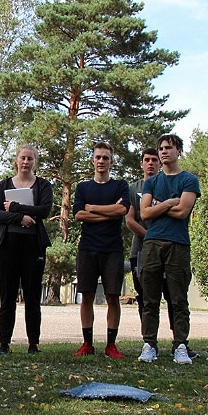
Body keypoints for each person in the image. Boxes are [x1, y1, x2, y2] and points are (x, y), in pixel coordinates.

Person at [138, 134, 201, 364]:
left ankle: (180, 345)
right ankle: (149, 344)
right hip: (152, 243)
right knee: (150, 298)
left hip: (178, 244)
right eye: (161, 148)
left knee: (178, 298)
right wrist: (168, 203)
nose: (164, 152)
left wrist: (157, 206)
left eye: (169, 148)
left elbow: (183, 211)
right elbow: (144, 213)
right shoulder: (151, 182)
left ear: (179, 151)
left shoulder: (189, 180)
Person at [0, 144, 53, 355]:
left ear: (35, 162)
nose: (26, 162)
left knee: (33, 296)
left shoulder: (43, 186)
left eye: (30, 159)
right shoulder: (4, 185)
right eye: (23, 158)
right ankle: (4, 343)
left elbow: (44, 210)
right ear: (16, 160)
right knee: (7, 296)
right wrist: (21, 218)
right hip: (7, 246)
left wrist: (15, 207)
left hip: (33, 246)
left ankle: (33, 343)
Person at [71, 142, 129, 359]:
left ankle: (111, 346)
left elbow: (122, 210)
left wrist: (93, 208)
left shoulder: (120, 186)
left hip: (112, 249)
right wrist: (110, 212)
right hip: (88, 248)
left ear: (111, 161)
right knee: (86, 296)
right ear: (93, 160)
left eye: (106, 157)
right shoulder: (83, 188)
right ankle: (87, 344)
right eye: (98, 157)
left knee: (113, 297)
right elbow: (78, 215)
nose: (102, 161)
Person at [125, 148, 175, 335]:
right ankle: (148, 341)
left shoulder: (169, 186)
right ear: (141, 163)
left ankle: (178, 342)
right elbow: (130, 220)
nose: (151, 163)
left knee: (172, 296)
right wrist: (150, 237)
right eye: (147, 160)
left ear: (160, 164)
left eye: (155, 160)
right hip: (140, 251)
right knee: (145, 297)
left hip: (168, 249)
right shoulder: (133, 189)